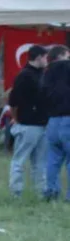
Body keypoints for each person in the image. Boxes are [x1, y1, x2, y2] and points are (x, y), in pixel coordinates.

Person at [7, 45, 48, 198]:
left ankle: (41, 193)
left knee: (40, 163)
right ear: (38, 57)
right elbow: (13, 102)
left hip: (42, 125)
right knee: (19, 160)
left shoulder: (42, 75)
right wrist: (17, 120)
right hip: (28, 125)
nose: (46, 60)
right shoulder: (24, 76)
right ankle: (16, 193)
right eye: (45, 57)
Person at [42, 44, 70, 201]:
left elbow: (43, 94)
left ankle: (51, 192)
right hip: (69, 118)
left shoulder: (47, 72)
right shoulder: (67, 67)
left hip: (53, 121)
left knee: (52, 160)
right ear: (62, 54)